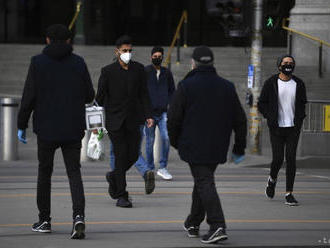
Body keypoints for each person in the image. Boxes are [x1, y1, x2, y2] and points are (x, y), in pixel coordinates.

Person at [17, 24, 95, 239]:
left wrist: (21, 124)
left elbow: (29, 96)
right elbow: (89, 94)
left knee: (45, 173)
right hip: (72, 128)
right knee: (74, 172)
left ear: (48, 40)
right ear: (70, 41)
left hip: (46, 129)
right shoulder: (78, 63)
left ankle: (44, 220)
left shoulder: (38, 62)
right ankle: (78, 217)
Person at [167, 46, 247, 244]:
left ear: (193, 63)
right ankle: (193, 222)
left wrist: (176, 142)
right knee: (203, 180)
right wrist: (239, 147)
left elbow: (173, 119)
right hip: (217, 146)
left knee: (204, 182)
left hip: (193, 145)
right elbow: (240, 119)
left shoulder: (186, 86)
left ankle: (217, 224)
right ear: (212, 63)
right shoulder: (227, 86)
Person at [96, 35, 153, 208]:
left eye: (130, 51)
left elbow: (144, 94)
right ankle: (122, 195)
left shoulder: (139, 69)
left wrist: (148, 115)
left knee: (134, 154)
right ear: (117, 52)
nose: (127, 53)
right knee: (120, 156)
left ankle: (113, 176)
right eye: (124, 51)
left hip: (134, 120)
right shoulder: (107, 71)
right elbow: (99, 99)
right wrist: (95, 125)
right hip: (115, 121)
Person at [258, 55, 307, 206]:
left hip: (293, 128)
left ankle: (289, 193)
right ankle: (272, 180)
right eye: (285, 63)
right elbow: (261, 103)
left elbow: (302, 102)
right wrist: (269, 117)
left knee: (291, 159)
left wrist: (300, 118)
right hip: (277, 127)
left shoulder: (298, 83)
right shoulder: (271, 82)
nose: (288, 65)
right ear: (279, 66)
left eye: (291, 63)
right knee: (278, 159)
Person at [144, 46, 175, 180]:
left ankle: (162, 167)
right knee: (150, 142)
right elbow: (142, 92)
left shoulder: (167, 73)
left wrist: (171, 107)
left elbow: (172, 92)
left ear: (162, 57)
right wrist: (145, 113)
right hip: (149, 114)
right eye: (155, 56)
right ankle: (150, 168)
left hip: (163, 113)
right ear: (151, 57)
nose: (157, 58)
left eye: (159, 56)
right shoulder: (145, 71)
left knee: (166, 138)